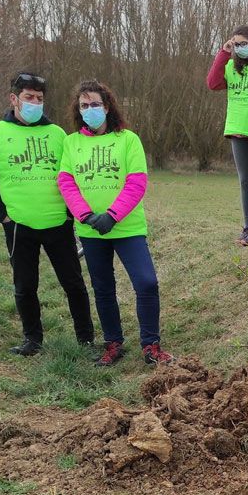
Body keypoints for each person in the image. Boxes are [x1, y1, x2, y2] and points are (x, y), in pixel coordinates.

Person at [0, 71, 95, 356]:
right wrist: (3, 216)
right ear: (14, 99)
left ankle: (86, 339)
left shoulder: (57, 135)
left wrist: (70, 215)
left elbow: (71, 177)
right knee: (25, 285)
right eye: (29, 97)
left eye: (39, 99)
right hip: (19, 225)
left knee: (74, 283)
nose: (34, 103)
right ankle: (33, 339)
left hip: (58, 222)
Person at [58, 80, 174, 367]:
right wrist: (85, 216)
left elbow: (136, 182)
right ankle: (113, 343)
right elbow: (66, 182)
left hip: (127, 227)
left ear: (107, 107)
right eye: (84, 106)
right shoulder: (71, 143)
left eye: (95, 104)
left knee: (146, 283)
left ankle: (151, 345)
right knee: (103, 287)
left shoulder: (128, 140)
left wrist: (112, 215)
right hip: (91, 229)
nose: (90, 110)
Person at [207, 25, 248, 246]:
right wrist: (223, 52)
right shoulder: (230, 66)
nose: (239, 47)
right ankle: (246, 227)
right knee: (245, 180)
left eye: (243, 43)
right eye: (236, 44)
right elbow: (213, 83)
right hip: (236, 128)